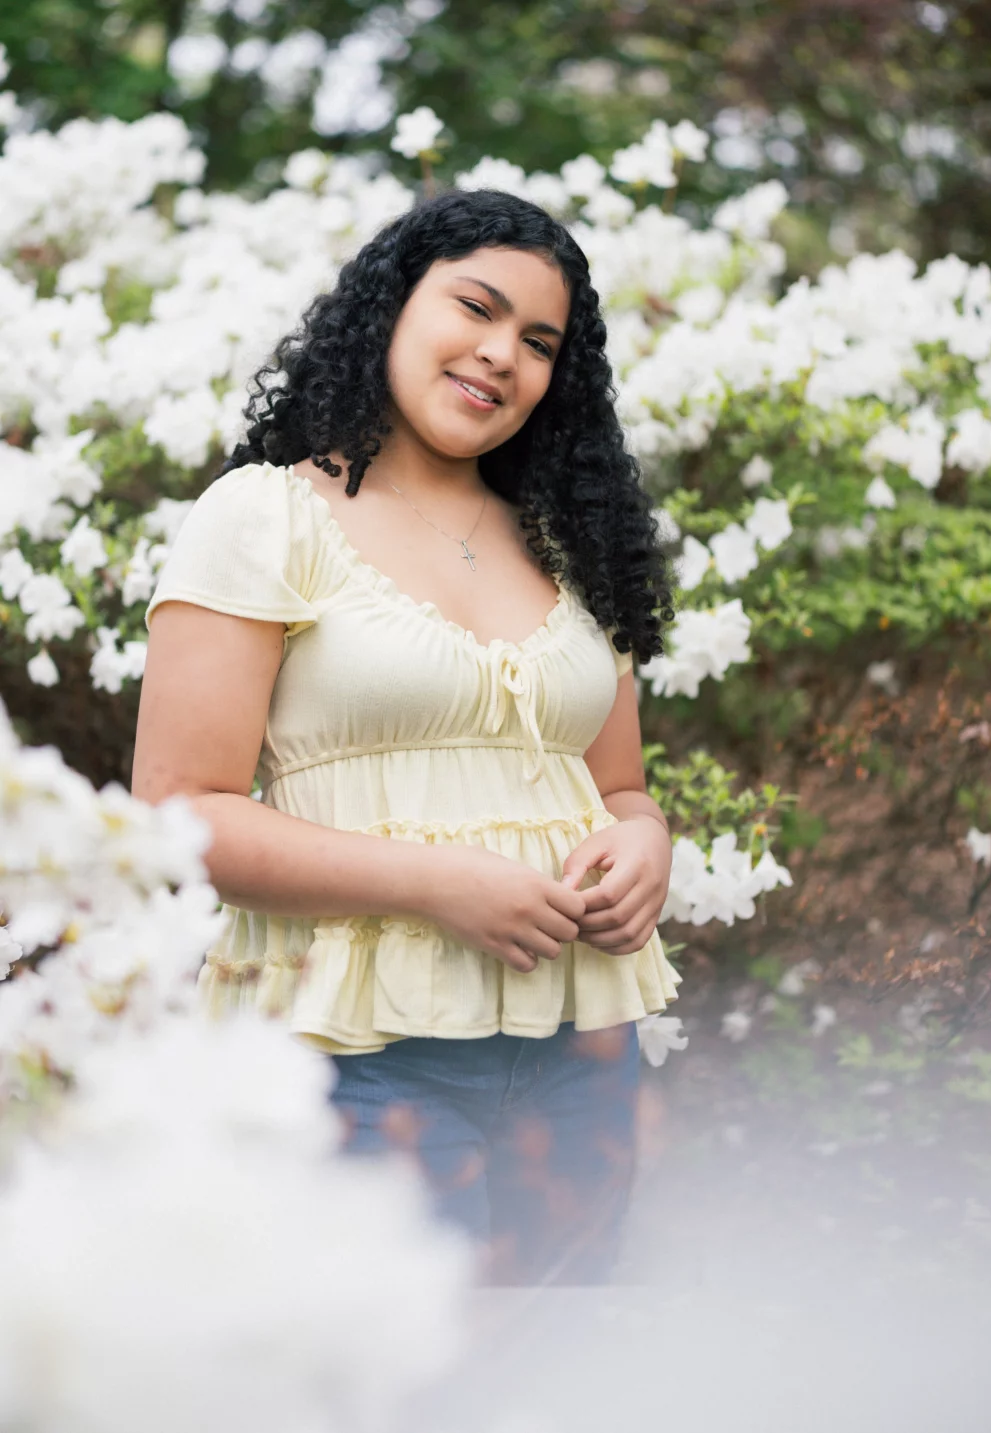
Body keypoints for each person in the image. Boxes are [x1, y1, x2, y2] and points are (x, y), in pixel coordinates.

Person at [132, 187, 680, 1286]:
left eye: (538, 342)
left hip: (580, 1043)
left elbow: (616, 786)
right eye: (473, 308)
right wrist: (435, 883)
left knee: (566, 1378)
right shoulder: (268, 514)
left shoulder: (571, 544)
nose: (499, 355)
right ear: (390, 304)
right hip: (356, 1054)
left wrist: (647, 838)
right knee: (402, 1385)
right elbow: (179, 811)